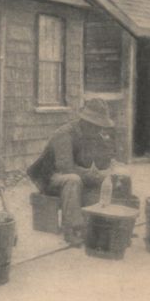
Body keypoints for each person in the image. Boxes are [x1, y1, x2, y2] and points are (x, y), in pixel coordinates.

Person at [27, 98, 115, 246]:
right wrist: (93, 175)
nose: (100, 129)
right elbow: (65, 167)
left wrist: (107, 164)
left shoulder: (94, 136)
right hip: (49, 176)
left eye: (101, 126)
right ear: (86, 122)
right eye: (96, 126)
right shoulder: (65, 133)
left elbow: (102, 164)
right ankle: (72, 229)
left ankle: (104, 223)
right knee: (73, 180)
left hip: (72, 174)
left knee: (110, 179)